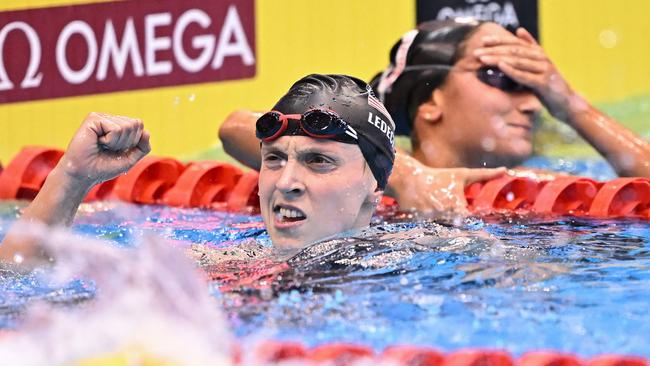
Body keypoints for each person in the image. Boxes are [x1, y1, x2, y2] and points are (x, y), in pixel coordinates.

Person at [219, 19, 650, 215]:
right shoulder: (346, 168)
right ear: (430, 102)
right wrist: (407, 176)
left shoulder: (546, 190)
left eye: (534, 86)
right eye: (500, 77)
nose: (532, 103)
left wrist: (571, 104)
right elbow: (237, 125)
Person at [0, 74, 396, 267]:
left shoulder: (416, 260)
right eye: (274, 159)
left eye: (318, 161)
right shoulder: (219, 262)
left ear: (373, 186)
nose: (286, 183)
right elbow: (18, 282)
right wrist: (72, 177)